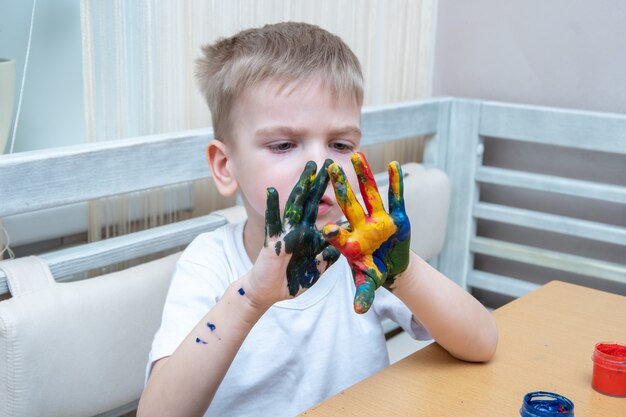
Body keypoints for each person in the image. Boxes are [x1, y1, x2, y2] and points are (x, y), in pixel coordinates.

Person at [137, 22, 497, 417]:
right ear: (225, 166)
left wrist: (403, 274)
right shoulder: (210, 262)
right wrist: (253, 298)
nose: (321, 165)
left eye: (341, 144)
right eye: (284, 144)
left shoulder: (358, 257)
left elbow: (482, 342)